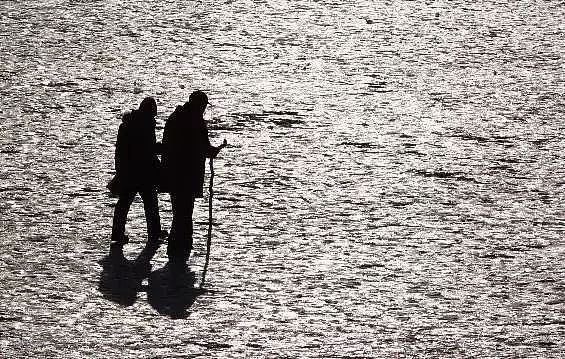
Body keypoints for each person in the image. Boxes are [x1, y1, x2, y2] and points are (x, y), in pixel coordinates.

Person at [161, 90, 222, 264]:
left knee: (179, 211)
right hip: (188, 174)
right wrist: (213, 151)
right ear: (199, 105)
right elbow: (201, 147)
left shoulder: (175, 117)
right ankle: (181, 248)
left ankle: (177, 248)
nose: (204, 109)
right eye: (203, 106)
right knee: (185, 212)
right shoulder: (195, 121)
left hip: (173, 174)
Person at [108, 97, 165, 247]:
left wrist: (120, 169)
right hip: (144, 172)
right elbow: (149, 149)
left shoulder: (127, 124)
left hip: (128, 171)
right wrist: (164, 148)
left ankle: (117, 233)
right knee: (151, 204)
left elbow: (120, 150)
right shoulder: (146, 124)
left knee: (124, 204)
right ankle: (155, 233)